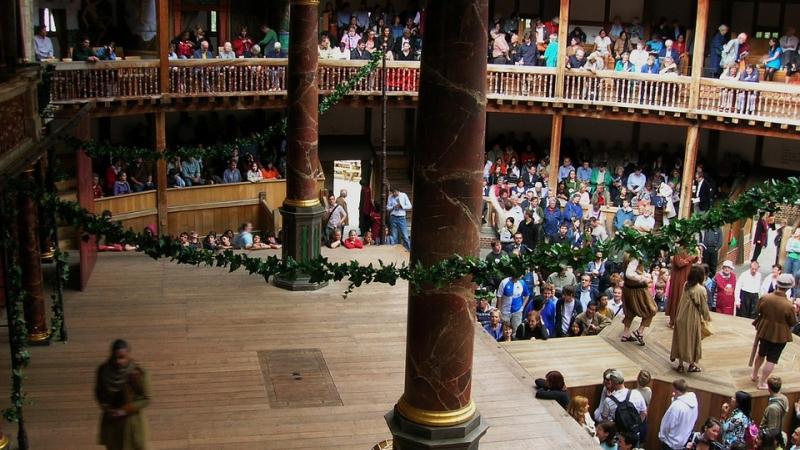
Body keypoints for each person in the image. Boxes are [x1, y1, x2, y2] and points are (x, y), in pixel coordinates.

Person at [95, 339, 150, 450]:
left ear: (128, 354)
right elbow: (99, 392)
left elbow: (146, 398)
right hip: (112, 421)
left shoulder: (137, 372)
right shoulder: (104, 370)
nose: (118, 361)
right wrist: (106, 407)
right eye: (115, 357)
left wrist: (125, 410)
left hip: (131, 423)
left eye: (122, 358)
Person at [752, 274, 798, 389]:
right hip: (780, 335)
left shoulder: (765, 297)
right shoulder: (789, 305)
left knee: (761, 353)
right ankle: (762, 382)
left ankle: (754, 374)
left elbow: (758, 311)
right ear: (788, 288)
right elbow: (792, 322)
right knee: (772, 359)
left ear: (777, 284)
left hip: (764, 330)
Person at [670, 265, 711, 373]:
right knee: (692, 340)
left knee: (680, 339)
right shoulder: (701, 289)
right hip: (692, 318)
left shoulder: (686, 285)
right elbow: (703, 307)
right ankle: (691, 364)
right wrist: (707, 318)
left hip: (680, 316)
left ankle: (680, 365)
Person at [594, 369, 647, 445]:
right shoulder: (636, 393)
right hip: (635, 433)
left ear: (613, 383)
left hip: (620, 437)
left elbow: (605, 419)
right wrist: (636, 425)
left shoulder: (609, 400)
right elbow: (644, 412)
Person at [620, 255, 658, 346]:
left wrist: (643, 274)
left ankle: (626, 333)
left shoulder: (628, 254)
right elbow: (629, 273)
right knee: (652, 309)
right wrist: (644, 278)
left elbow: (633, 270)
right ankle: (639, 331)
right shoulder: (635, 256)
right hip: (638, 290)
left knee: (630, 310)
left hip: (628, 288)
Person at [658, 379, 699, 450]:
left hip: (670, 444)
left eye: (674, 391)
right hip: (683, 443)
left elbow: (667, 425)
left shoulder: (676, 406)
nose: (673, 393)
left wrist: (662, 437)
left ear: (677, 391)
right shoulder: (694, 401)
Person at [667, 247, 700, 327]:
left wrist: (696, 254)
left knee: (685, 297)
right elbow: (679, 263)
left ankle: (683, 319)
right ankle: (674, 320)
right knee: (677, 296)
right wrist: (690, 257)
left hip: (687, 275)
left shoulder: (690, 248)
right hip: (678, 277)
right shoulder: (678, 249)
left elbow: (694, 261)